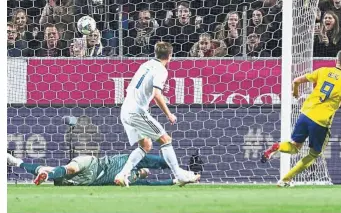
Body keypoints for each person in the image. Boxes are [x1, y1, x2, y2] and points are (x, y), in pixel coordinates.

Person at [261, 50, 341, 187]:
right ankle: (285, 180)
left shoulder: (323, 71)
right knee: (313, 154)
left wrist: (295, 92)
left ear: (336, 60)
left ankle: (277, 147)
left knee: (294, 146)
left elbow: (296, 80)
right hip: (321, 122)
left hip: (306, 113)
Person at [114, 41, 200, 187]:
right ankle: (179, 176)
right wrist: (169, 115)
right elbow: (157, 95)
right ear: (170, 56)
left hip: (125, 109)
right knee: (165, 140)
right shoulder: (161, 70)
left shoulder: (146, 64)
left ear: (155, 53)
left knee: (146, 145)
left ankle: (122, 175)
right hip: (136, 111)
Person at [7, 152, 181, 187]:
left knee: (51, 172)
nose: (145, 172)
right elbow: (152, 160)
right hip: (92, 163)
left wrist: (175, 180)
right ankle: (45, 174)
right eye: (144, 170)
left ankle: (17, 162)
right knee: (71, 168)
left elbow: (150, 184)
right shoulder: (131, 160)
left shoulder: (132, 179)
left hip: (87, 181)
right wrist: (176, 168)